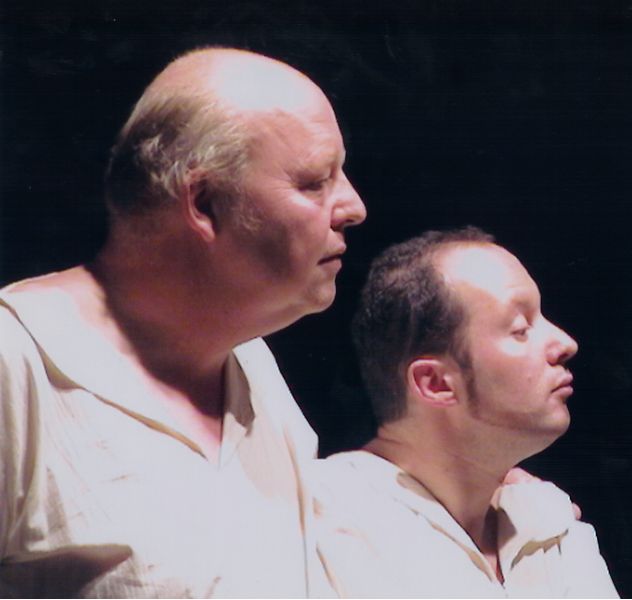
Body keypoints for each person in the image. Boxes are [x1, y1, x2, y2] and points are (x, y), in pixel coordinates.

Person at [0, 47, 366, 597]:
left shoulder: (251, 364)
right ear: (205, 203)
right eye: (315, 181)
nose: (354, 207)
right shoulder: (16, 360)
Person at [312, 227, 618, 598]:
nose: (565, 343)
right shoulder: (325, 521)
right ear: (436, 382)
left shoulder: (547, 518)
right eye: (521, 329)